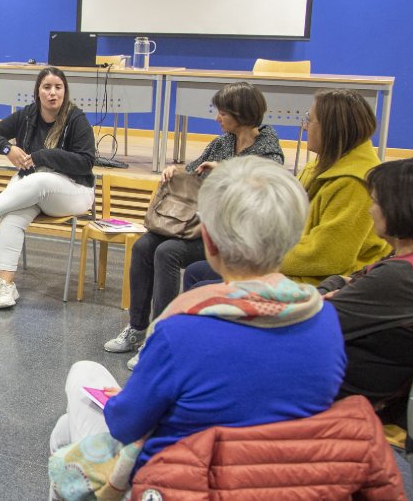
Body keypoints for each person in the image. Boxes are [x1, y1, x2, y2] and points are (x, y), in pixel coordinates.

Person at [50, 157, 345, 490]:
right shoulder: (325, 320)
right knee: (64, 433)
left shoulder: (182, 329)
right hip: (278, 481)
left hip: (185, 480)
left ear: (209, 240)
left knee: (81, 378)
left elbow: (125, 424)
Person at [103, 82, 284, 358]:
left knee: (167, 252)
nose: (217, 118)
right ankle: (137, 327)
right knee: (143, 246)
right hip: (196, 226)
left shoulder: (268, 151)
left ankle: (160, 338)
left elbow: (262, 188)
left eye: (223, 113)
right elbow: (192, 173)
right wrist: (173, 172)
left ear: (241, 114)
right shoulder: (222, 142)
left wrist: (225, 170)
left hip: (233, 238)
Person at [181, 87, 391, 290]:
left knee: (202, 286)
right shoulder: (319, 165)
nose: (305, 127)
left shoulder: (355, 183)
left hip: (320, 279)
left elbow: (327, 257)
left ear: (332, 129)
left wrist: (258, 260)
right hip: (290, 261)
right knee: (195, 271)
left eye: (310, 119)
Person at [0, 66, 96, 309]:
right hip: (36, 190)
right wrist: (8, 149)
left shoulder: (76, 119)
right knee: (12, 216)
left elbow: (85, 162)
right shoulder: (28, 115)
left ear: (65, 91)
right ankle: (6, 286)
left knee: (37, 181)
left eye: (58, 88)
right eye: (47, 87)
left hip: (74, 191)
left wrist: (43, 156)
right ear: (37, 92)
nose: (52, 93)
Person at [319, 157, 413, 429]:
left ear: (399, 208)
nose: (370, 210)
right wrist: (337, 284)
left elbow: (315, 320)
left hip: (346, 391)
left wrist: (333, 288)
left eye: (375, 202)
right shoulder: (406, 261)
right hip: (370, 381)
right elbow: (347, 279)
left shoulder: (400, 276)